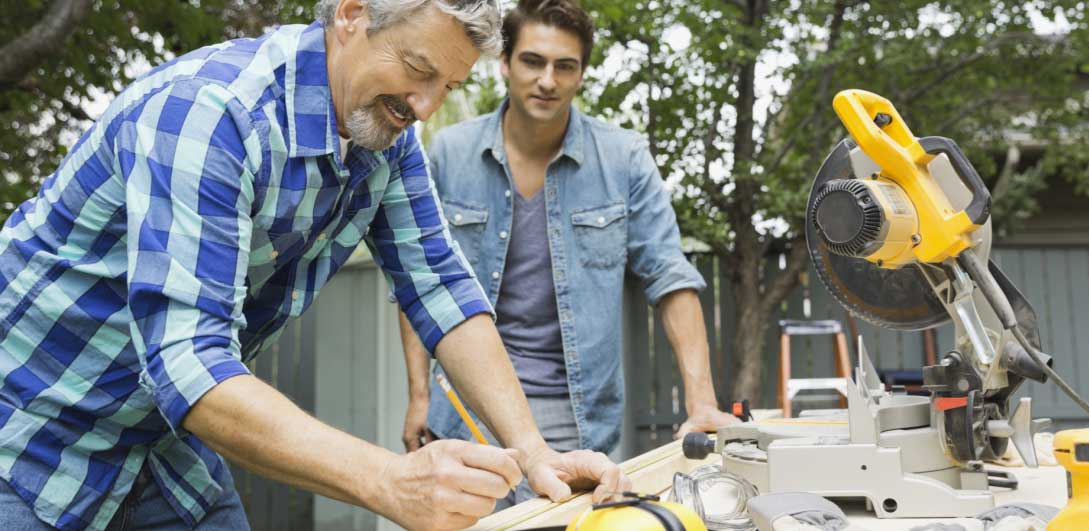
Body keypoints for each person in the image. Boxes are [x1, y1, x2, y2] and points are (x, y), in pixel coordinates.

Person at [0, 1, 627, 530]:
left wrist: (534, 450)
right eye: (417, 68)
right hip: (33, 432)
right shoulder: (210, 112)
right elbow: (189, 361)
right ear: (352, 15)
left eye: (450, 87)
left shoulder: (387, 137)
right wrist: (388, 480)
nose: (426, 107)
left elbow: (442, 288)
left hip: (155, 441)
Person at [397, 0, 739, 504]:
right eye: (533, 61)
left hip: (577, 413)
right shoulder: (449, 152)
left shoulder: (622, 159)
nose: (547, 80)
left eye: (565, 66)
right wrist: (420, 396)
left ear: (581, 74)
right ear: (505, 63)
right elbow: (417, 282)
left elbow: (670, 276)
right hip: (467, 409)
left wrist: (702, 401)